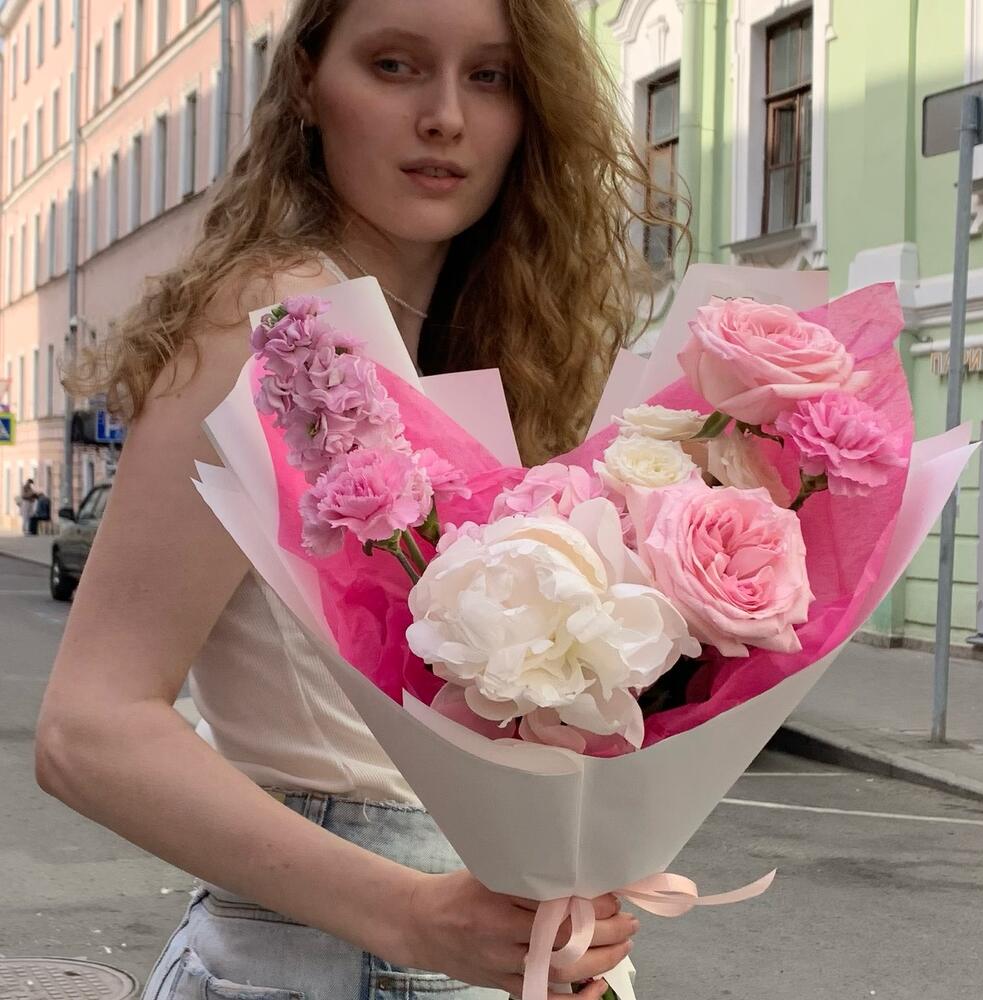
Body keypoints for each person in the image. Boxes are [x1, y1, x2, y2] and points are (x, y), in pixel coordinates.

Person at [37, 2, 683, 998]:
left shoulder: (481, 340)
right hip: (337, 954)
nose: (445, 116)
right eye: (394, 65)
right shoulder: (272, 321)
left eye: (491, 77)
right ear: (308, 82)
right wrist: (413, 914)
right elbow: (89, 729)